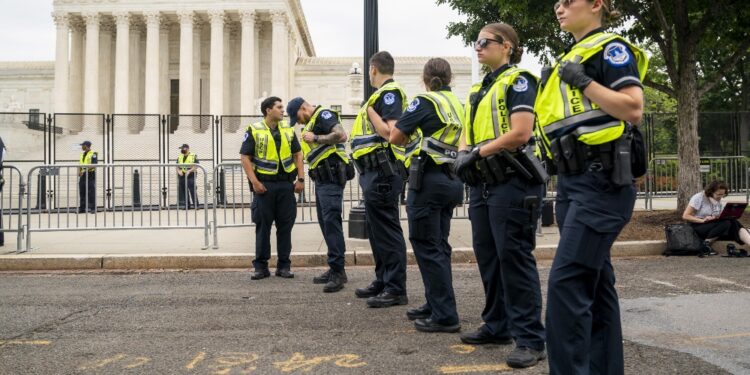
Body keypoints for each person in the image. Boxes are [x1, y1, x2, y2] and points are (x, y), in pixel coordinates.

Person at [536, 0, 649, 373]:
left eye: (569, 1)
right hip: (574, 183)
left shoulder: (609, 48)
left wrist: (584, 81)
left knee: (568, 285)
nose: (559, 7)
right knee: (596, 285)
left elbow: (633, 107)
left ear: (597, 4)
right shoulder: (571, 55)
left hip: (599, 183)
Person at [452, 23, 547, 368]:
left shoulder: (520, 80)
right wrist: (464, 152)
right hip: (483, 183)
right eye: (475, 43)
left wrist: (476, 154)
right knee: (489, 257)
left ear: (506, 46)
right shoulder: (479, 87)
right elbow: (467, 130)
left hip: (513, 180)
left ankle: (531, 338)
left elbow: (521, 132)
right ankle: (497, 325)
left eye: (483, 42)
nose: (477, 48)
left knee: (514, 258)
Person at [389, 58, 464, 333]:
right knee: (439, 245)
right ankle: (435, 304)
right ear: (450, 79)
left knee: (427, 247)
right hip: (452, 179)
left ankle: (445, 315)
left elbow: (395, 136)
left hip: (428, 180)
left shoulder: (424, 101)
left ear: (425, 79)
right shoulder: (458, 103)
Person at [349, 51, 411, 308]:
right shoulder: (380, 95)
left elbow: (391, 132)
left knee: (387, 230)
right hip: (373, 172)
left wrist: (372, 112)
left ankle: (396, 288)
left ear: (373, 69)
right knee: (377, 231)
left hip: (384, 171)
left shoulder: (389, 93)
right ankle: (383, 279)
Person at [287, 97, 352, 293]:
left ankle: (338, 272)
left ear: (303, 108)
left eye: (297, 117)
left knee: (331, 223)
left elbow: (341, 135)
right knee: (326, 224)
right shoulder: (313, 122)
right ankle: (334, 268)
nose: (298, 122)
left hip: (331, 176)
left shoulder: (324, 115)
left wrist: (315, 138)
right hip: (323, 179)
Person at [240, 96, 305, 280]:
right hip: (264, 187)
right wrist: (255, 182)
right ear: (268, 110)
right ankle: (261, 267)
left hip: (286, 185)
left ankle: (284, 266)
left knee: (285, 227)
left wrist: (300, 178)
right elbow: (245, 158)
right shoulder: (254, 130)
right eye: (279, 107)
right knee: (263, 227)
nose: (283, 110)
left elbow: (298, 154)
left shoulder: (287, 129)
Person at [682, 180, 750, 255]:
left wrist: (717, 217)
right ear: (711, 192)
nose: (720, 197)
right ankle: (705, 244)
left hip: (713, 226)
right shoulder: (699, 197)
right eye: (718, 194)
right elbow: (685, 216)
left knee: (732, 220)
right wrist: (703, 220)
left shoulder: (717, 201)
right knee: (727, 222)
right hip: (698, 225)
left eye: (722, 195)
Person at [176, 144, 199, 209]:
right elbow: (177, 165)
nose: (182, 150)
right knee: (184, 190)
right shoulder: (180, 156)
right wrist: (178, 171)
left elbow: (196, 165)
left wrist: (190, 171)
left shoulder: (193, 155)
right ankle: (187, 205)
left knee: (192, 190)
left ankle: (196, 205)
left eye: (183, 148)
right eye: (181, 149)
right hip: (182, 175)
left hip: (191, 174)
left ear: (187, 149)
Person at [78, 140, 98, 213]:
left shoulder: (93, 154)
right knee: (82, 192)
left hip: (90, 174)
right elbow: (80, 164)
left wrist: (84, 170)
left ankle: (93, 208)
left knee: (91, 192)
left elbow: (94, 164)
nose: (82, 147)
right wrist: (79, 171)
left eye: (83, 145)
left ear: (86, 146)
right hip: (82, 175)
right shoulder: (82, 154)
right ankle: (82, 208)